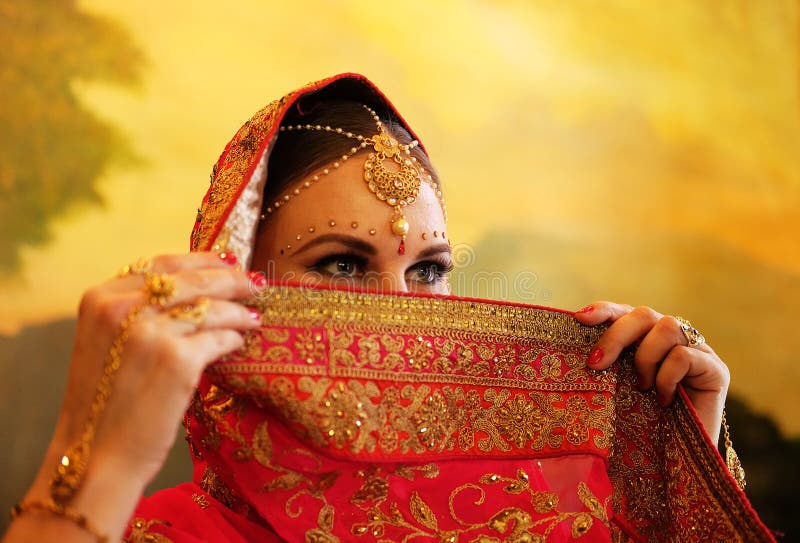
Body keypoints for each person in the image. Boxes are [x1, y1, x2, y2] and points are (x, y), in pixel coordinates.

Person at [2, 74, 772, 542]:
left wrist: (679, 463)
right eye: (342, 263)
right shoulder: (148, 530)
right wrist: (94, 460)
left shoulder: (544, 515)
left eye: (430, 269)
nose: (405, 316)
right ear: (231, 281)